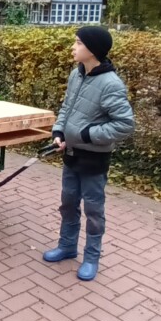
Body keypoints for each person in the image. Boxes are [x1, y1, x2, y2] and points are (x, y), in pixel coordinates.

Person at [44, 26, 135, 282]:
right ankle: (67, 246)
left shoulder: (111, 84)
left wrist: (86, 134)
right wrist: (59, 131)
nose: (73, 47)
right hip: (71, 155)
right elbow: (67, 107)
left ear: (92, 50)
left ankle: (91, 258)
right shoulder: (77, 74)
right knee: (68, 203)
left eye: (78, 43)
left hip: (94, 160)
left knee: (93, 211)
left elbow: (124, 125)